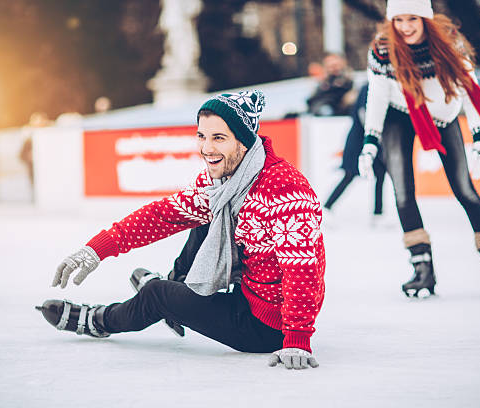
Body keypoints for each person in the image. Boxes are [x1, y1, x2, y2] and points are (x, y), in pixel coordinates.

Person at [37, 90, 326, 370]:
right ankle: (179, 286)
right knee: (205, 219)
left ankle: (100, 320)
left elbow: (303, 269)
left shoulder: (284, 191)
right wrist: (98, 248)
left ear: (244, 142)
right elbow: (164, 215)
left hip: (268, 324)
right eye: (202, 136)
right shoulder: (225, 184)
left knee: (156, 294)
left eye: (219, 138)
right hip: (248, 289)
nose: (207, 148)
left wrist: (297, 339)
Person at [357, 0, 480, 297]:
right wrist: (370, 142)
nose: (405, 27)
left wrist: (479, 141)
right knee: (403, 193)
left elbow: (471, 94)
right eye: (399, 20)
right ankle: (422, 268)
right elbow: (377, 96)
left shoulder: (449, 43)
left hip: (442, 117)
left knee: (464, 189)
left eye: (412, 20)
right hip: (397, 114)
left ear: (425, 19)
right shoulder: (383, 49)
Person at [323, 83, 387, 222]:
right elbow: (363, 112)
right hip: (359, 142)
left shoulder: (376, 86)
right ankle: (327, 207)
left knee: (380, 173)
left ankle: (378, 214)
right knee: (349, 175)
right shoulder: (368, 87)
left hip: (368, 141)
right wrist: (375, 134)